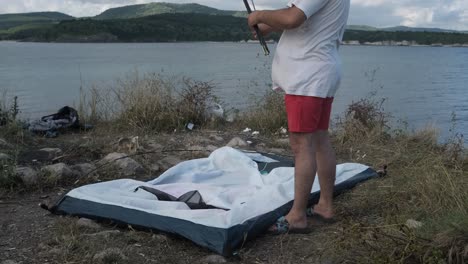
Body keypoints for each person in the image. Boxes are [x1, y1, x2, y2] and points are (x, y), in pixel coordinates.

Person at [247, 0, 350, 234]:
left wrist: (259, 14)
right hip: (319, 72)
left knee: (302, 145)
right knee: (320, 140)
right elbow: (297, 20)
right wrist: (265, 24)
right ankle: (325, 205)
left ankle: (297, 216)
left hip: (307, 77)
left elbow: (293, 18)